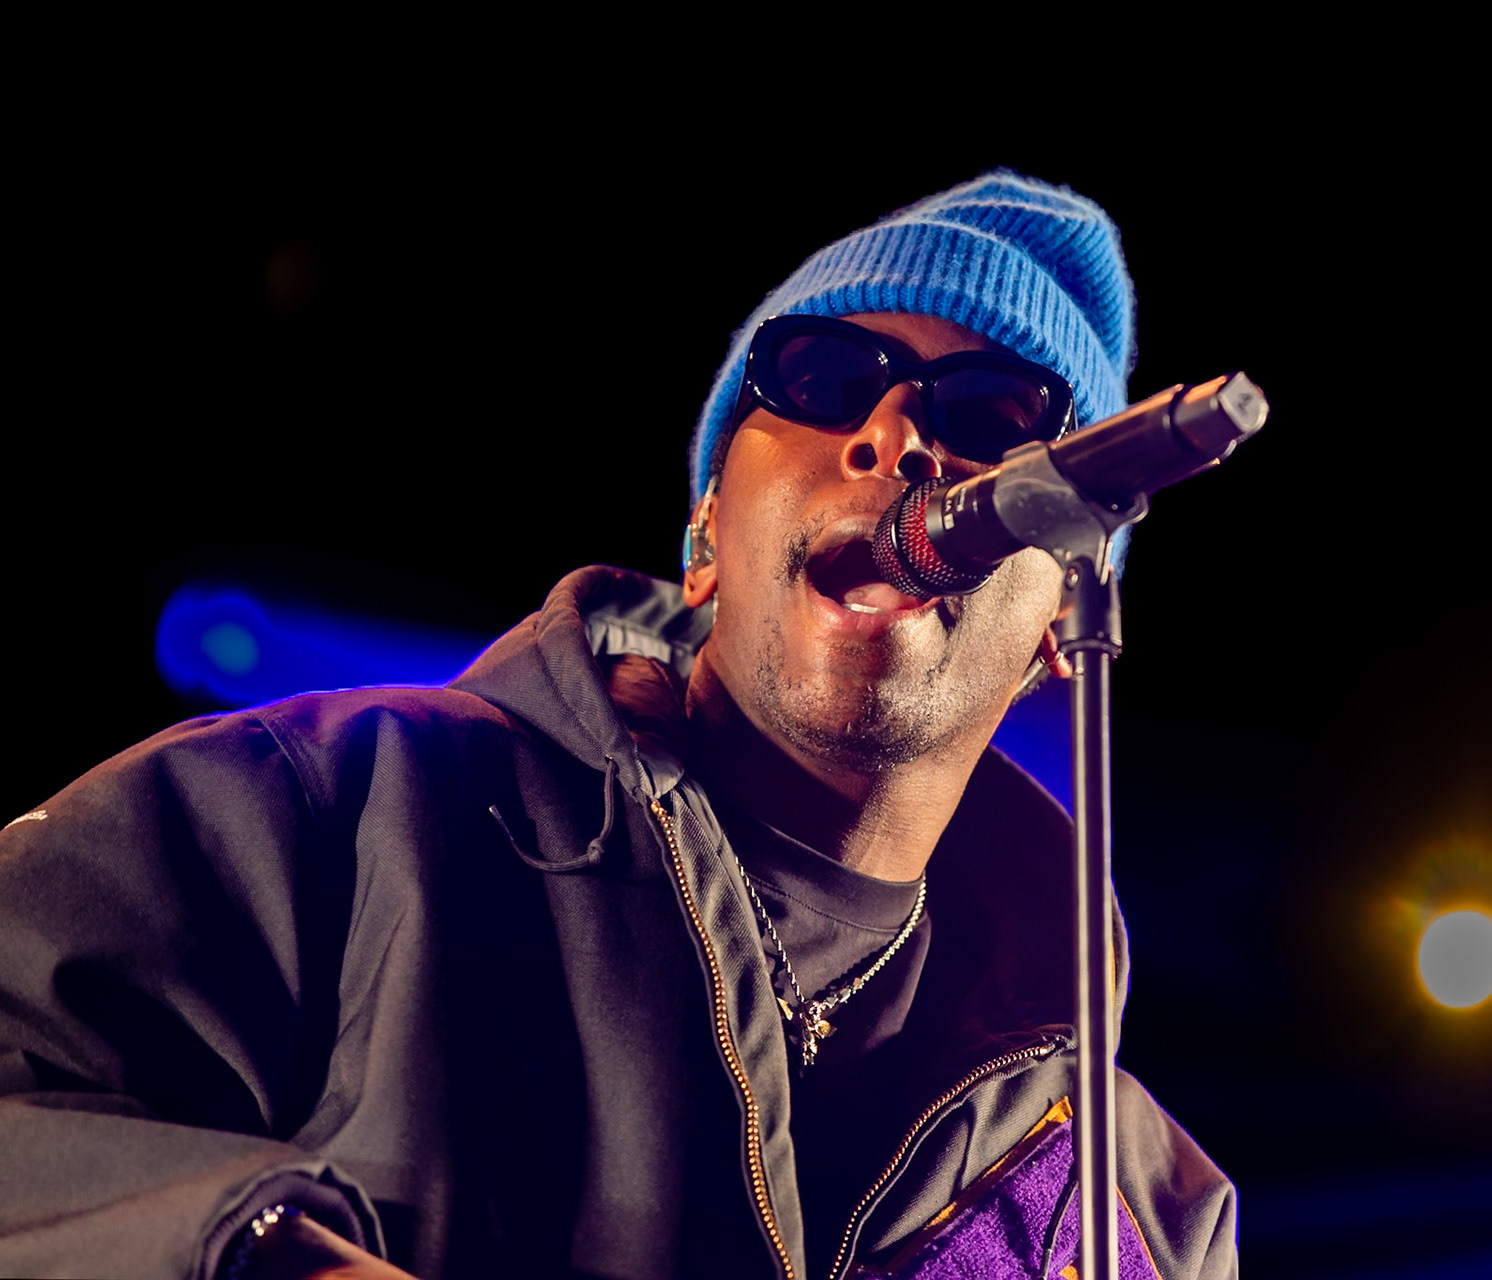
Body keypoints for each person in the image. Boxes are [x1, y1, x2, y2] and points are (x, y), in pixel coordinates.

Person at [0, 171, 1237, 1279]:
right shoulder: (333, 805)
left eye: (990, 418)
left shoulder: (1142, 1213)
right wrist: (262, 1251)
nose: (898, 436)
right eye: (821, 379)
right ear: (704, 539)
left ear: (1053, 620)